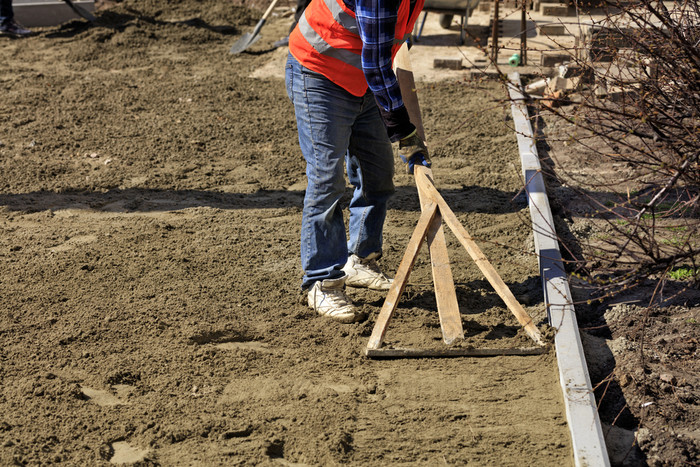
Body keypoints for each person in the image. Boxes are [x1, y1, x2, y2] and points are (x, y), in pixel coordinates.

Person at [285, 0, 431, 323]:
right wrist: (403, 131)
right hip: (319, 71)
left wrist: (406, 123)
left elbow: (392, 47)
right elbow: (378, 63)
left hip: (363, 79)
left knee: (378, 171)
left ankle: (361, 258)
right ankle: (321, 280)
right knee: (327, 178)